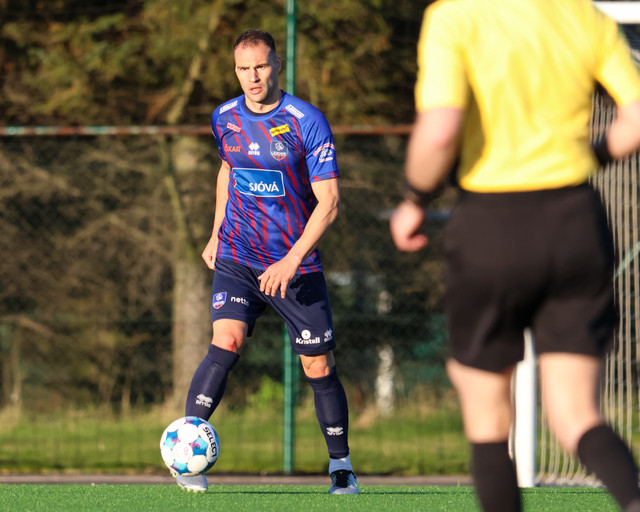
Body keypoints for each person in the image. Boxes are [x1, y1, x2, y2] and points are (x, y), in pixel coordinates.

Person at [390, 1, 640, 511]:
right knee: (577, 415)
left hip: (492, 226)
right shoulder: (585, 16)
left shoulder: (455, 17)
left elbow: (440, 130)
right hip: (576, 220)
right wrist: (591, 155)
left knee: (488, 418)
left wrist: (414, 199)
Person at [174, 29, 358, 495]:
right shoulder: (224, 117)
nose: (252, 77)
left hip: (295, 265)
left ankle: (341, 467)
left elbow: (330, 202)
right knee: (226, 340)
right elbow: (228, 169)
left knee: (318, 366)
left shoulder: (306, 121)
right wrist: (216, 231)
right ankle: (186, 459)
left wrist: (292, 260)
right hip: (238, 253)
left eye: (260, 66)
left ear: (277, 64)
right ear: (235, 70)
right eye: (243, 68)